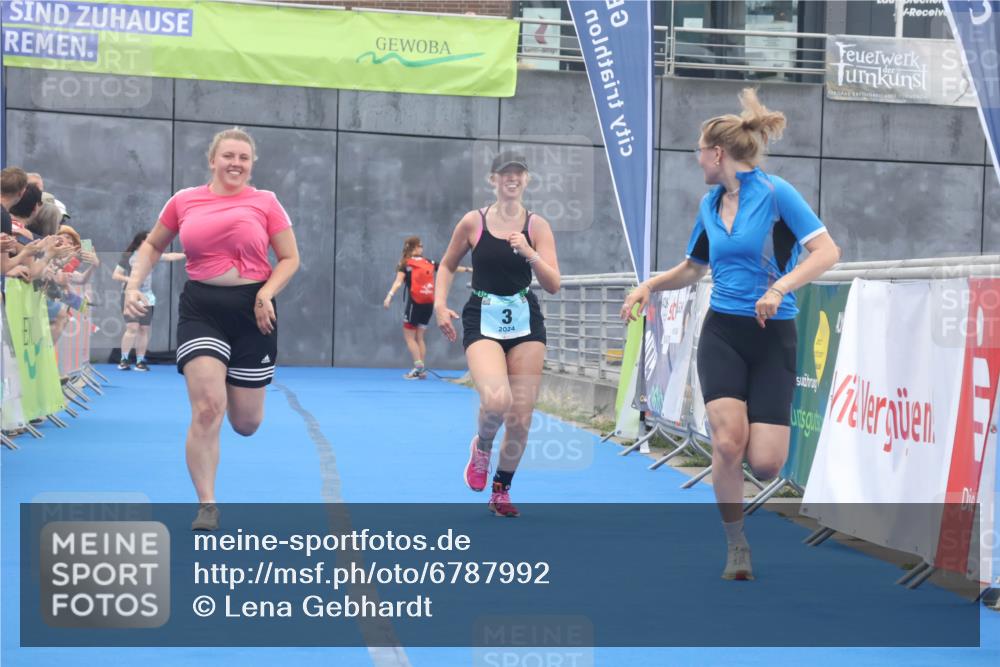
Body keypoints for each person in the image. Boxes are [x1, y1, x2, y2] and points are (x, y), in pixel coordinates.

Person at [620, 88, 840, 581]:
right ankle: (736, 544)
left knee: (765, 463)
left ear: (717, 154)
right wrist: (649, 286)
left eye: (699, 151)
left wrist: (780, 287)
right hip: (722, 331)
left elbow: (828, 252)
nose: (697, 160)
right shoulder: (709, 203)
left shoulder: (777, 193)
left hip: (773, 335)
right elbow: (694, 268)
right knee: (726, 443)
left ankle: (747, 501)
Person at [123, 127, 300, 531]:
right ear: (212, 160)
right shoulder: (184, 200)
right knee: (207, 408)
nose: (235, 163)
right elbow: (151, 245)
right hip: (202, 307)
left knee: (246, 423)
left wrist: (266, 294)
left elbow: (290, 258)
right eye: (228, 156)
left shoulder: (266, 202)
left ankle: (238, 423)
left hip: (255, 311)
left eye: (243, 157)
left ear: (251, 164)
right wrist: (134, 284)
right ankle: (207, 503)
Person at [435, 151, 560, 517]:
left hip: (524, 320)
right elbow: (446, 264)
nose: (512, 179)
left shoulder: (537, 226)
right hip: (483, 316)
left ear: (526, 179)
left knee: (521, 416)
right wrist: (441, 305)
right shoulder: (473, 222)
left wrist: (529, 253)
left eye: (518, 173)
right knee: (496, 401)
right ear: (493, 180)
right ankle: (483, 446)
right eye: (505, 174)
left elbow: (553, 283)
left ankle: (501, 490)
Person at [383, 235, 470, 379]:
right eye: (420, 245)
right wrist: (468, 269)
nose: (422, 248)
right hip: (429, 303)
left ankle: (418, 367)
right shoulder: (428, 262)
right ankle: (421, 370)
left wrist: (389, 296)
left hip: (415, 303)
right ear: (413, 247)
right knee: (420, 337)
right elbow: (449, 267)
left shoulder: (405, 264)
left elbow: (398, 282)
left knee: (409, 337)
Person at [112, 230, 184, 371]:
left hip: (147, 297)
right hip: (130, 296)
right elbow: (116, 275)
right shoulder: (128, 256)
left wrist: (188, 254)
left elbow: (170, 256)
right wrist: (131, 281)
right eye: (149, 240)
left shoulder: (152, 256)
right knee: (132, 328)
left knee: (144, 329)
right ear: (141, 242)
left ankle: (140, 361)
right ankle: (124, 359)